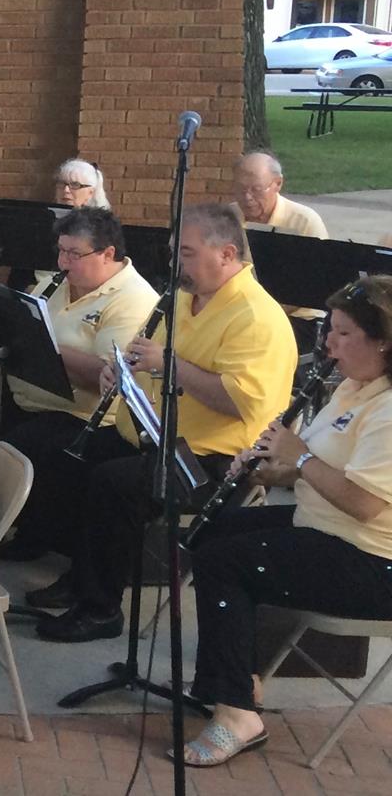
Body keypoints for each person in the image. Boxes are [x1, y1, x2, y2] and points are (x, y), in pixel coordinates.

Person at [38, 203, 297, 642]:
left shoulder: (256, 317)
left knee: (113, 484)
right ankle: (83, 576)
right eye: (177, 252)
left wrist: (169, 366)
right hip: (157, 436)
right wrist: (118, 370)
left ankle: (102, 610)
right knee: (70, 460)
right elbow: (146, 355)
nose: (178, 265)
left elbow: (241, 403)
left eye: (189, 255)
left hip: (213, 460)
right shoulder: (181, 298)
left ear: (228, 254)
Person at [179, 277, 392, 768]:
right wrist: (264, 467)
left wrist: (296, 460)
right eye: (329, 331)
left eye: (342, 334)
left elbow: (363, 503)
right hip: (322, 527)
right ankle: (236, 680)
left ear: (382, 341)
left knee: (225, 562)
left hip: (371, 560)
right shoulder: (353, 387)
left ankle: (238, 716)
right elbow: (315, 468)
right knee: (210, 534)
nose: (328, 345)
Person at [0, 208, 160, 570]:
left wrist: (44, 345)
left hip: (81, 415)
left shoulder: (132, 298)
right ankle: (24, 531)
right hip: (34, 396)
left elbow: (106, 374)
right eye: (60, 251)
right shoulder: (58, 282)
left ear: (108, 254)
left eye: (74, 254)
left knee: (17, 446)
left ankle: (37, 538)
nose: (62, 262)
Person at [232, 150, 328, 238]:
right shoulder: (227, 216)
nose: (247, 197)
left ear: (278, 183)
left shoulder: (305, 223)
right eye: (241, 189)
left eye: (256, 189)